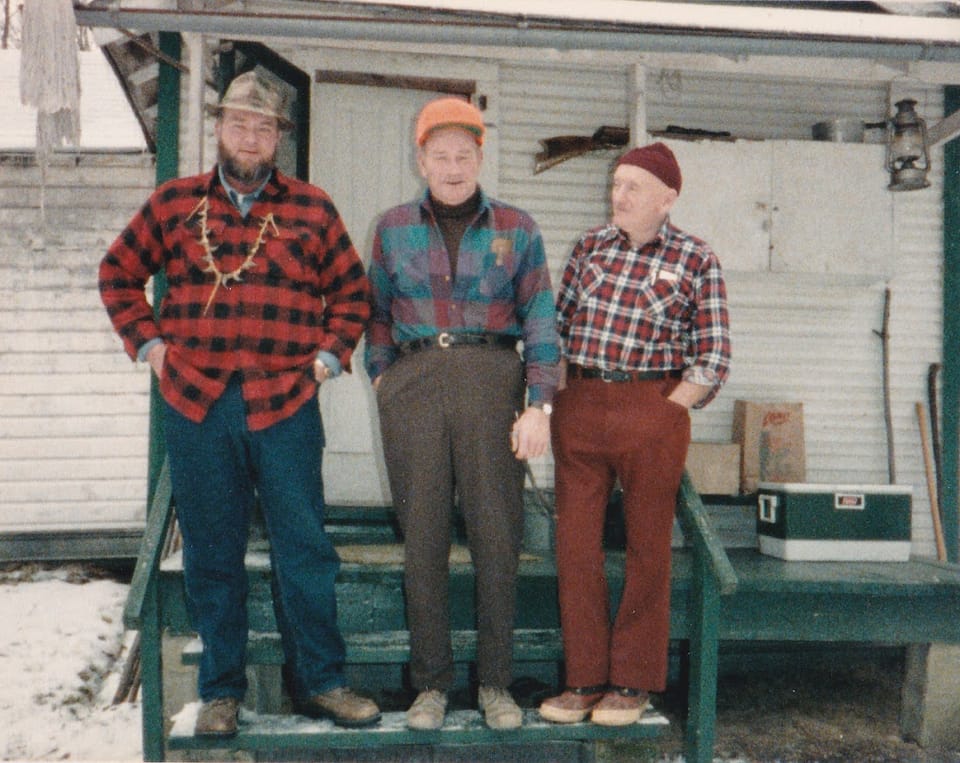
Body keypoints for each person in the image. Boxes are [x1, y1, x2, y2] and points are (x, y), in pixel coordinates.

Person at [99, 71, 380, 736]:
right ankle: (221, 688)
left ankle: (322, 680)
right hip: (198, 405)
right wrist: (152, 347)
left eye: (263, 127)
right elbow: (118, 273)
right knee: (211, 550)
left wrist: (327, 359)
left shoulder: (312, 209)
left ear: (277, 137)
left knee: (304, 546)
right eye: (238, 123)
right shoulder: (174, 203)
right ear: (218, 128)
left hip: (285, 403)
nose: (249, 137)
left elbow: (352, 295)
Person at [364, 96, 560, 731]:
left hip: (492, 380)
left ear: (481, 157)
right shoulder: (392, 227)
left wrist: (540, 404)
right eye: (441, 155)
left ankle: (496, 684)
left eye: (465, 154)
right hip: (415, 383)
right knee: (422, 539)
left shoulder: (518, 228)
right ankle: (431, 688)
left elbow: (541, 319)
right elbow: (376, 313)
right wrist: (384, 378)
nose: (453, 166)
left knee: (496, 537)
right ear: (421, 159)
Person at [539, 142, 731, 726]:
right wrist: (551, 403)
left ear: (667, 198)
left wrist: (668, 410)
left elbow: (713, 356)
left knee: (649, 548)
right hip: (583, 401)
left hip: (652, 405)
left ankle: (632, 680)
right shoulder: (590, 247)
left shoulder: (696, 258)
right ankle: (584, 678)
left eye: (631, 187)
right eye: (615, 184)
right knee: (575, 546)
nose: (617, 195)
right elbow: (557, 326)